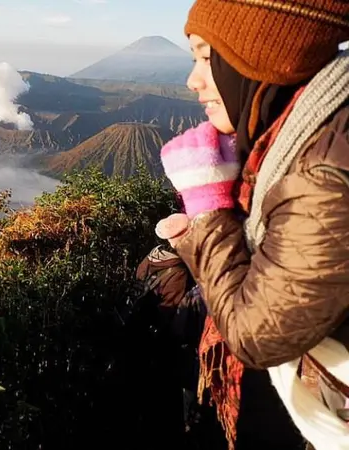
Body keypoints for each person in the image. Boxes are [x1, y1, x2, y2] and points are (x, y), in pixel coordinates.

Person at [137, 0, 349, 449]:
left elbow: (257, 336)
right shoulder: (315, 132)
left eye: (206, 57)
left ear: (261, 55)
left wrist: (207, 204)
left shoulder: (324, 173)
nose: (193, 81)